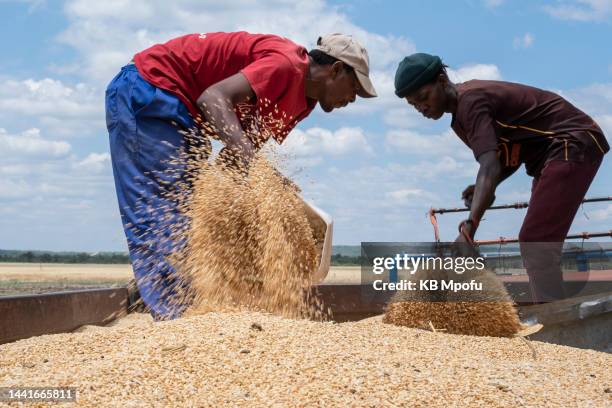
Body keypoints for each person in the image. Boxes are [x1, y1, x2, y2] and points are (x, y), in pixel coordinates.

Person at [105, 32, 377, 319]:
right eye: (354, 88)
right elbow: (213, 98)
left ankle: (180, 301)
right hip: (149, 89)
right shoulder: (286, 65)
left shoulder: (302, 102)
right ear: (335, 70)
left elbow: (234, 160)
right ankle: (178, 319)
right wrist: (261, 174)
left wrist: (271, 188)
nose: (352, 99)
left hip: (181, 110)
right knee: (161, 213)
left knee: (192, 213)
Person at [394, 52, 609, 302]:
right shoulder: (459, 118)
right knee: (539, 241)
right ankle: (554, 315)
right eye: (414, 105)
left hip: (572, 142)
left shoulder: (470, 102)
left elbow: (490, 166)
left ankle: (555, 322)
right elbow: (504, 159)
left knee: (536, 240)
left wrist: (469, 229)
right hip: (550, 155)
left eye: (423, 97)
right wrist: (483, 187)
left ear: (442, 80)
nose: (422, 107)